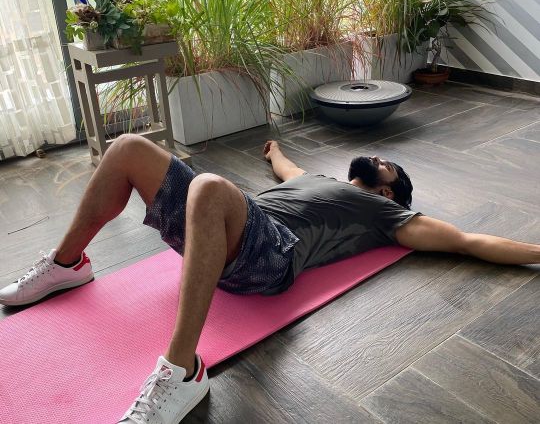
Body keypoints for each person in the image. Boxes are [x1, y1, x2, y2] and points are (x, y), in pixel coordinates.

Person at [1, 134, 538, 424]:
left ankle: (182, 370)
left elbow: (466, 241)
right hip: (222, 229)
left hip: (270, 258)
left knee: (210, 186)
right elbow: (285, 168)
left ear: (388, 193)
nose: (379, 158)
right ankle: (68, 265)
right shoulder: (318, 178)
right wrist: (274, 150)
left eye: (388, 165)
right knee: (128, 148)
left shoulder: (386, 214)